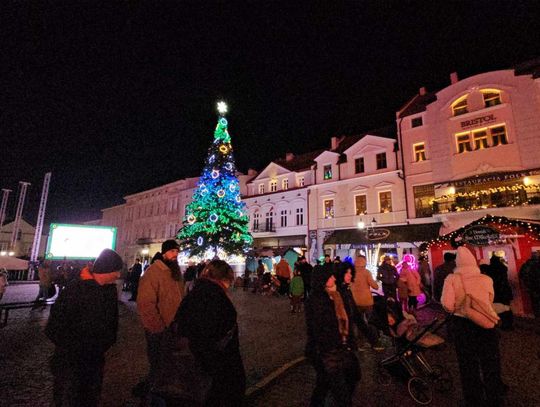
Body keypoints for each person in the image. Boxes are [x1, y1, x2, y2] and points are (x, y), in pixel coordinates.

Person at [45, 248, 122, 407]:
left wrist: (105, 342)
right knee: (69, 398)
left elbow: (111, 323)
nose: (118, 275)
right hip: (71, 361)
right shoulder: (76, 289)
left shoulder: (110, 291)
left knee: (90, 397)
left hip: (94, 359)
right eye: (116, 271)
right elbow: (54, 325)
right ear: (106, 270)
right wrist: (73, 347)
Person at [175, 259, 245, 406]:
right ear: (224, 279)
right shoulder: (219, 300)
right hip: (216, 371)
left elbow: (179, 325)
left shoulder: (191, 296)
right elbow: (221, 338)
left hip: (189, 367)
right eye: (229, 282)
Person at [441, 246, 505, 407]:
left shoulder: (452, 278)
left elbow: (447, 305)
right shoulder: (486, 279)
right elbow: (489, 300)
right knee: (491, 361)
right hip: (486, 322)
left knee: (468, 363)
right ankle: (495, 397)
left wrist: (460, 307)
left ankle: (473, 399)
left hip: (463, 324)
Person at [305, 261, 360, 406]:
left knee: (327, 382)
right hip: (326, 351)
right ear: (322, 280)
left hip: (339, 347)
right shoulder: (316, 300)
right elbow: (320, 327)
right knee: (339, 391)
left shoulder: (336, 295)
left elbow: (350, 316)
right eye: (330, 277)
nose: (334, 279)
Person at [136, 240, 185, 396]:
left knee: (169, 364)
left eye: (177, 252)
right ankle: (152, 394)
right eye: (172, 252)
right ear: (164, 253)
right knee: (158, 364)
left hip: (174, 327)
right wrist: (157, 328)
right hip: (159, 329)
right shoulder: (153, 272)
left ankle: (163, 393)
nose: (175, 255)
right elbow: (145, 303)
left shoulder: (176, 273)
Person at [350, 255, 381, 350]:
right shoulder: (366, 272)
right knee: (370, 323)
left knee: (358, 323)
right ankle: (374, 342)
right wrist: (375, 283)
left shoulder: (351, 273)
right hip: (367, 302)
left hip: (355, 302)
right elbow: (375, 286)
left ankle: (360, 343)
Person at [484, 254, 514, 330]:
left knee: (497, 308)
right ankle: (508, 324)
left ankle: (498, 323)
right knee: (506, 308)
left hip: (496, 291)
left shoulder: (490, 269)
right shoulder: (503, 268)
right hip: (505, 290)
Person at [519, 251, 540, 319]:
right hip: (534, 286)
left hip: (532, 287)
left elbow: (521, 275)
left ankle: (537, 315)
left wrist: (526, 286)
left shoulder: (526, 265)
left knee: (535, 301)